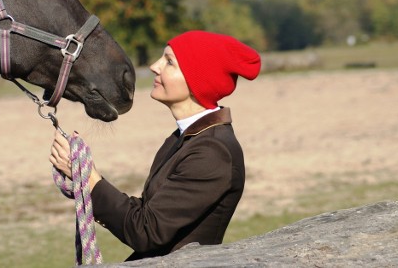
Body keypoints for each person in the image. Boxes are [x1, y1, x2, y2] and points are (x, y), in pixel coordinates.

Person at [50, 30, 261, 261]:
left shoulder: (212, 152)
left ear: (197, 79)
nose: (154, 66)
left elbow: (146, 231)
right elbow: (146, 213)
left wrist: (89, 179)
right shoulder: (186, 138)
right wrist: (85, 178)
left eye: (169, 61)